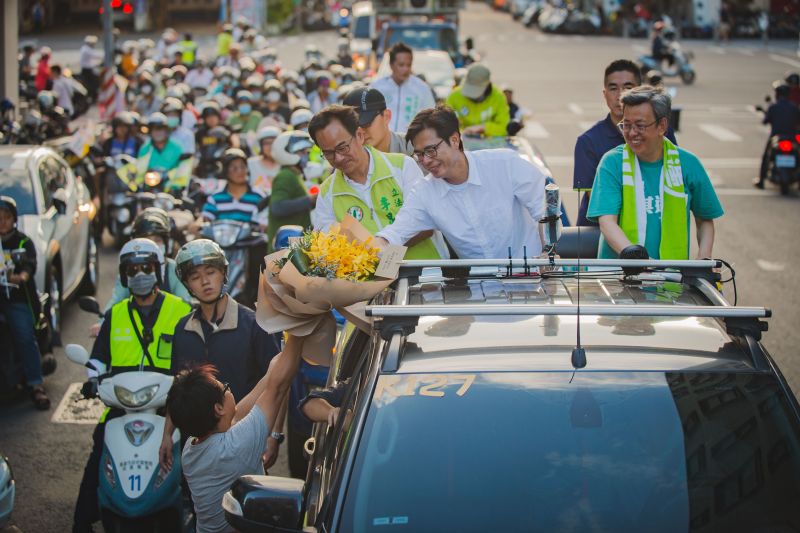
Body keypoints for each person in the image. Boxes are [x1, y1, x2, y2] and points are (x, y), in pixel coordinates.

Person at [72, 238, 192, 533]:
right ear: (124, 275)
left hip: (169, 407)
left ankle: (197, 516)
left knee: (193, 457)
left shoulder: (181, 310)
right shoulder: (115, 315)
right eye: (133, 270)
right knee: (98, 455)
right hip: (120, 407)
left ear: (159, 271)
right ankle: (81, 522)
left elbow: (192, 358)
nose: (140, 275)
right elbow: (98, 360)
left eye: (146, 267)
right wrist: (92, 381)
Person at [158, 240, 284, 474]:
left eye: (211, 272)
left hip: (243, 439)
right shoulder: (181, 329)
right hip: (196, 446)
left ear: (223, 273)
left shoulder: (255, 324)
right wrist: (167, 435)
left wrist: (274, 435)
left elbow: (278, 380)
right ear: (187, 285)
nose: (205, 282)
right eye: (195, 277)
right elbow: (178, 386)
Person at [166, 334, 304, 533]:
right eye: (225, 388)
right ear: (218, 409)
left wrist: (274, 368)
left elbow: (242, 412)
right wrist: (297, 335)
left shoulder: (191, 448)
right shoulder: (235, 447)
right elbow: (277, 389)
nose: (229, 390)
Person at [372, 105, 547, 259]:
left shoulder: (504, 163)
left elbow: (545, 210)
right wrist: (376, 246)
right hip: (481, 289)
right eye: (419, 154)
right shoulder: (424, 192)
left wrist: (548, 253)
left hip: (534, 279)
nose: (425, 161)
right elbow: (396, 232)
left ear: (455, 140)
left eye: (430, 150)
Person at [587, 86, 723, 259]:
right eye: (626, 125)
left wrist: (704, 259)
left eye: (640, 126)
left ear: (662, 126)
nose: (631, 133)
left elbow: (705, 220)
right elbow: (607, 222)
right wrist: (637, 259)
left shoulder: (688, 164)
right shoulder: (612, 163)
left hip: (672, 279)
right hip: (617, 278)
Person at [309, 105, 442, 259]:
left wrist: (379, 249)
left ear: (359, 135)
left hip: (423, 272)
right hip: (370, 281)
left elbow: (424, 223)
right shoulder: (327, 193)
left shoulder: (402, 166)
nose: (338, 158)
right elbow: (326, 243)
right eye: (328, 153)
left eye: (342, 148)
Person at [573, 59, 677, 226]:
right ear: (604, 93)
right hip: (600, 235)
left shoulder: (661, 130)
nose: (620, 95)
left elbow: (672, 178)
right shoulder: (588, 141)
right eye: (613, 88)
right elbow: (597, 198)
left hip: (652, 225)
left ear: (641, 90)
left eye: (628, 88)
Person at [90, 208, 192, 338]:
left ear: (167, 242)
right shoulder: (129, 271)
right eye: (146, 239)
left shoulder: (173, 269)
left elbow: (185, 303)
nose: (152, 244)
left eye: (157, 239)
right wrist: (102, 323)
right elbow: (116, 299)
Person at [0, 196, 50, 410]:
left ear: (14, 219)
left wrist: (20, 276)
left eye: (6, 217)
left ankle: (35, 384)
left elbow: (29, 267)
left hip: (15, 299)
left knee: (23, 335)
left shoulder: (22, 242)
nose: (2, 222)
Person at [267, 131, 322, 246]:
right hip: (284, 249)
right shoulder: (285, 176)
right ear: (286, 153)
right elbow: (277, 207)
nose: (305, 155)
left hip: (293, 245)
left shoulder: (294, 175)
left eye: (306, 152)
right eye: (301, 152)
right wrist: (310, 200)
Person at [370, 43, 436, 132]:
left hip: (411, 142)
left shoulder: (422, 88)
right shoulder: (377, 87)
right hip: (383, 142)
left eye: (408, 65)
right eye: (401, 65)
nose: (405, 69)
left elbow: (431, 118)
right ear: (391, 65)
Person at [199, 148, 269, 226]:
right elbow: (205, 218)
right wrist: (197, 224)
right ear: (225, 171)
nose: (240, 171)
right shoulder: (216, 198)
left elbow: (265, 220)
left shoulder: (258, 196)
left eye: (243, 167)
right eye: (234, 168)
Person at [445, 63, 510, 138]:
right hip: (462, 144)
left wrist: (482, 128)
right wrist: (460, 131)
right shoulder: (453, 96)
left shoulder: (498, 97)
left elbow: (504, 128)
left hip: (491, 145)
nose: (471, 95)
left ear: (487, 85)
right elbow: (446, 125)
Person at [343, 87, 412, 156]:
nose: (360, 131)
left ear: (386, 116)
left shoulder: (414, 148)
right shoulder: (345, 160)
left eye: (367, 123)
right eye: (353, 127)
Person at [755, 83, 800, 188]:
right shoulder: (794, 107)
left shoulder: (773, 107)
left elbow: (765, 121)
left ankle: (761, 181)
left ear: (777, 94)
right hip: (792, 138)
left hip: (776, 137)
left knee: (766, 157)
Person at [136, 113, 185, 189]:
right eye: (155, 129)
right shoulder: (144, 149)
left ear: (166, 131)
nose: (158, 133)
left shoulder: (177, 148)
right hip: (149, 189)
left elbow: (182, 170)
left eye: (160, 129)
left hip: (172, 189)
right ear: (150, 132)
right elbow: (140, 172)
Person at [248, 126, 282, 193]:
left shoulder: (287, 164)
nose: (270, 146)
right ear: (260, 146)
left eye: (273, 142)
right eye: (266, 143)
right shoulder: (250, 164)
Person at [79, 35, 103, 101]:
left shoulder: (85, 48)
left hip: (87, 69)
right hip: (87, 70)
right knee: (94, 84)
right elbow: (96, 56)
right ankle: (93, 97)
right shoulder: (87, 50)